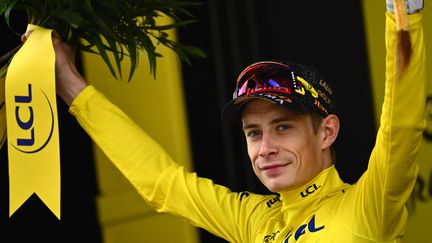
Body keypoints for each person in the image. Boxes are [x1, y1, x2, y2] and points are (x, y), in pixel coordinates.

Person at [23, 1, 427, 242]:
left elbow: (402, 126)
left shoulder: (368, 205)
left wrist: (403, 13)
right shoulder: (254, 221)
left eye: (282, 126)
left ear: (327, 131)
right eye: (253, 133)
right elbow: (162, 183)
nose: (265, 147)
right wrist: (71, 85)